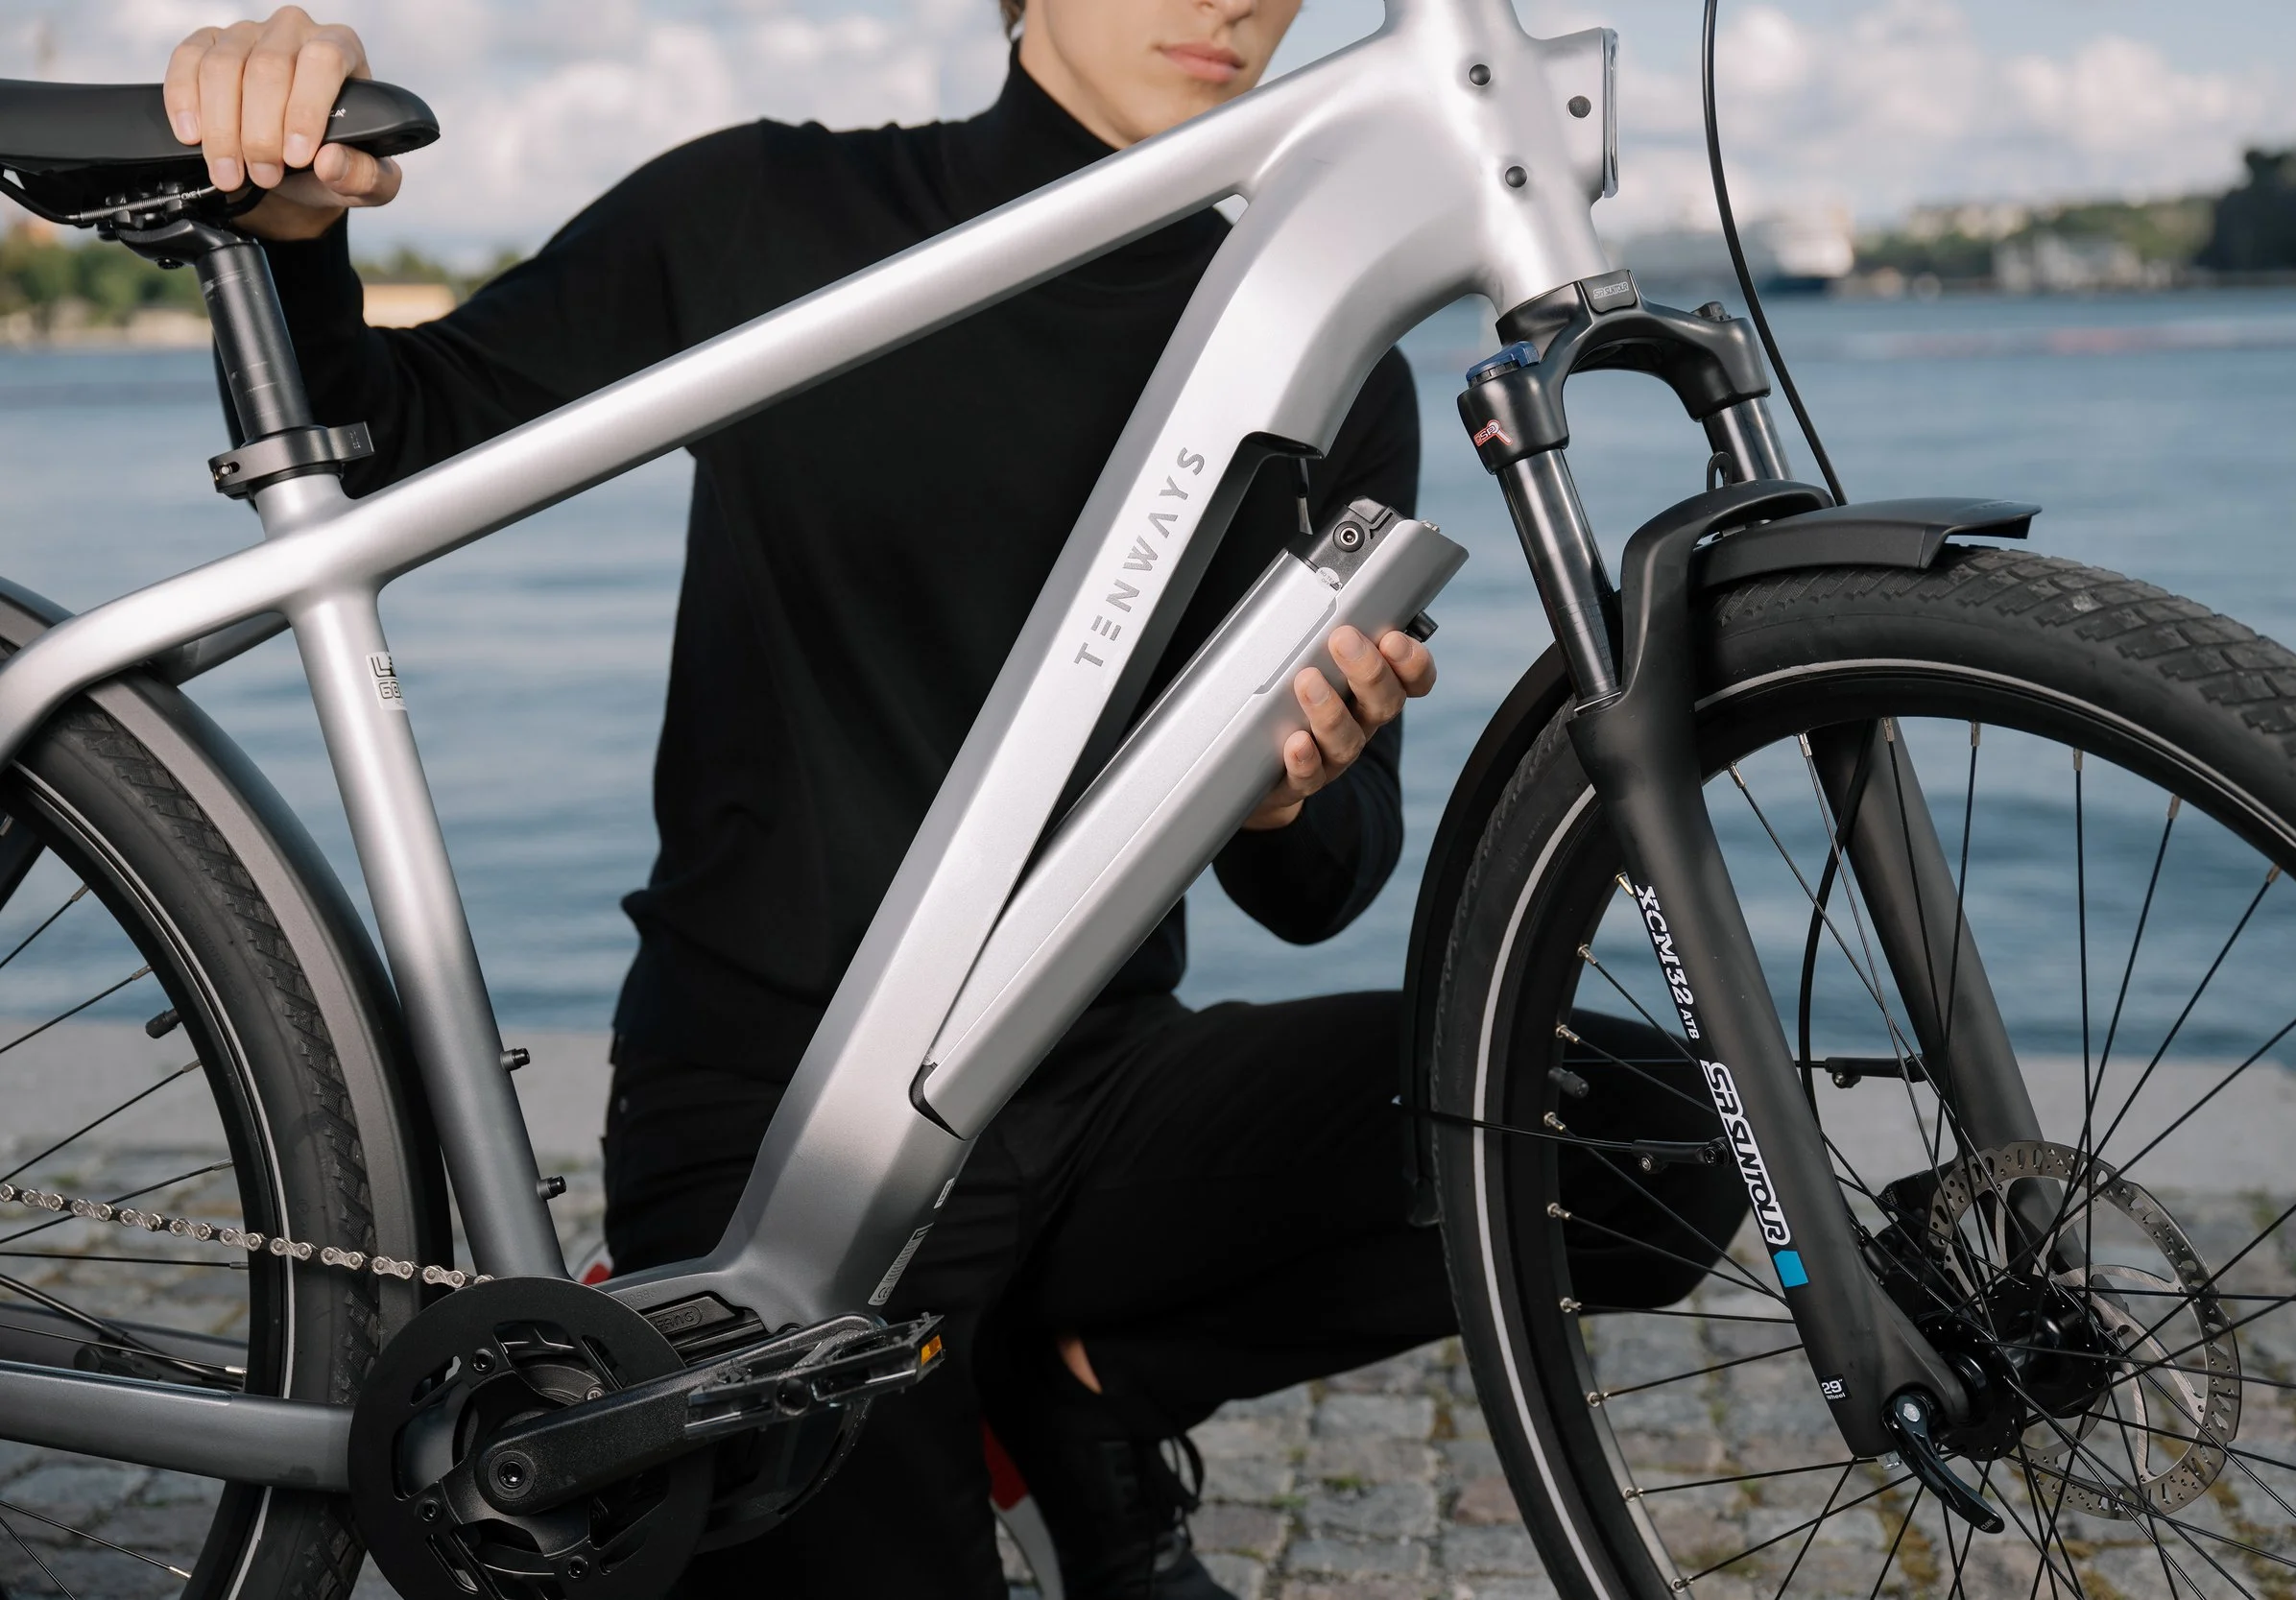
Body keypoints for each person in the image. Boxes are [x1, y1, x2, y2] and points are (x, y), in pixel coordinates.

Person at [167, 4, 1746, 1595]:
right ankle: (874, 1371)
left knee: (1664, 1142)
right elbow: (383, 439)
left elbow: (1322, 881)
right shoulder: (771, 216)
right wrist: (286, 220)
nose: (1234, 3)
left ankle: (1084, 1397)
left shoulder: (1330, 356)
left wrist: (1280, 794)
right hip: (772, 1121)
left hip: (1102, 1091)